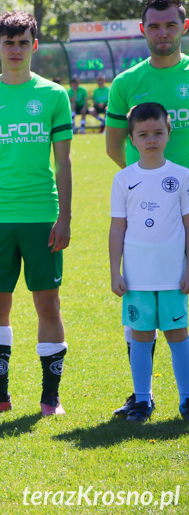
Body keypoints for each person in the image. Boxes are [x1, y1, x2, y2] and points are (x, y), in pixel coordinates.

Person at [0, 10, 73, 417]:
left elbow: (64, 162)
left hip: (43, 215)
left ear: (35, 46)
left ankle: (50, 398)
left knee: (48, 304)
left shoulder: (53, 95)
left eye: (23, 42)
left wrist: (65, 218)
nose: (15, 50)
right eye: (8, 42)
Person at [105, 0, 189, 416]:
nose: (162, 33)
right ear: (143, 30)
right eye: (154, 26)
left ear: (184, 27)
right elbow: (113, 144)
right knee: (143, 307)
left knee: (180, 305)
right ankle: (143, 395)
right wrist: (145, 187)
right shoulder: (126, 84)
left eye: (170, 25)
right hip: (154, 219)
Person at [109, 102, 189, 422]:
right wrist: (115, 271)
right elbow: (117, 228)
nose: (151, 139)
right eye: (143, 134)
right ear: (132, 139)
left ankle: (186, 399)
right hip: (138, 276)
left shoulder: (182, 176)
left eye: (158, 132)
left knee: (179, 334)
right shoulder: (123, 179)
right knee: (141, 335)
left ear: (169, 134)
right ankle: (143, 401)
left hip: (173, 275)